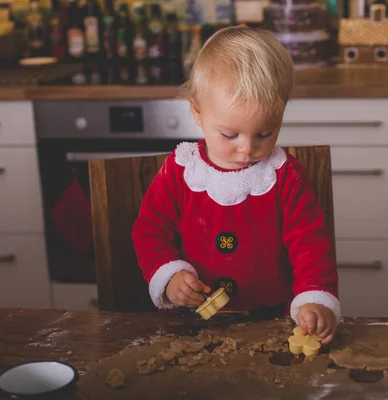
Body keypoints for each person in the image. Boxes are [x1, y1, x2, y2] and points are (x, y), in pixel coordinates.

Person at [132, 25, 340, 344]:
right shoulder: (180, 171)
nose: (247, 149)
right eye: (230, 135)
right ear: (197, 112)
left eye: (265, 134)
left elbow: (311, 245)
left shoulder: (286, 176)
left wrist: (314, 299)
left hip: (271, 324)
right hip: (191, 327)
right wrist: (169, 275)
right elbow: (150, 231)